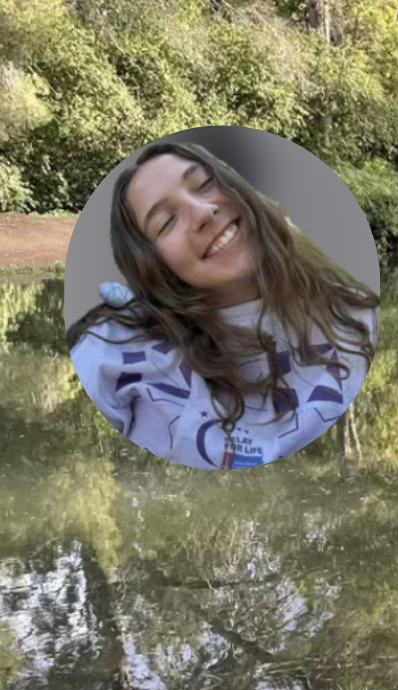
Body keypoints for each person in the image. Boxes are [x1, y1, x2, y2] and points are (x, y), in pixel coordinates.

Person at [67, 142, 380, 469]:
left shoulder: (358, 318)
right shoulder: (109, 352)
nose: (203, 213)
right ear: (152, 266)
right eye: (165, 222)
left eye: (204, 184)